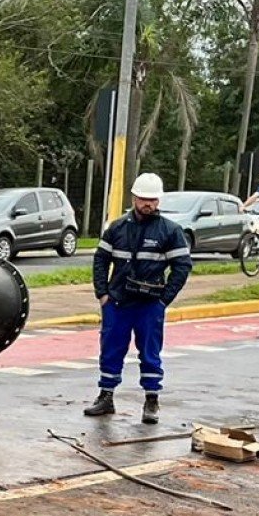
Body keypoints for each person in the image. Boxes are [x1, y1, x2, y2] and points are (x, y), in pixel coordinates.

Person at [85, 173, 193, 425]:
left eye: (153, 200)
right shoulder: (117, 228)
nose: (148, 204)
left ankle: (152, 400)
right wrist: (102, 293)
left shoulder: (170, 231)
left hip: (149, 305)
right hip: (118, 303)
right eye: (144, 199)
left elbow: (182, 266)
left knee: (150, 353)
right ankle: (106, 396)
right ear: (134, 198)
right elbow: (100, 260)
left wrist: (164, 300)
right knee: (111, 349)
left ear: (159, 201)